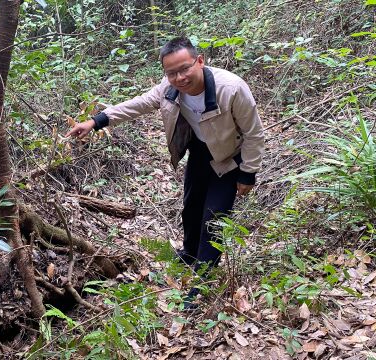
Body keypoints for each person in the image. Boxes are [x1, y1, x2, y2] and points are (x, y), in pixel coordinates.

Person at [66, 36, 264, 306]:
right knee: (191, 207)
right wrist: (95, 121)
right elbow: (139, 104)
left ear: (200, 61)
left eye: (185, 69)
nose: (180, 77)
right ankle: (191, 254)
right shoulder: (168, 89)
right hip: (200, 152)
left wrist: (248, 173)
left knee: (214, 218)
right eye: (171, 73)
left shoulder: (231, 89)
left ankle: (202, 282)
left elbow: (254, 133)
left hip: (230, 157)